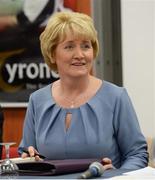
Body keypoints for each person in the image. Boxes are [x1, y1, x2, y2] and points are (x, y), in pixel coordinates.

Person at [18, 11, 148, 170]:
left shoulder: (116, 97)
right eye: (69, 46)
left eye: (86, 46)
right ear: (52, 54)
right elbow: (25, 152)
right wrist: (28, 158)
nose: (79, 55)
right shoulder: (37, 100)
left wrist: (119, 176)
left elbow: (137, 154)